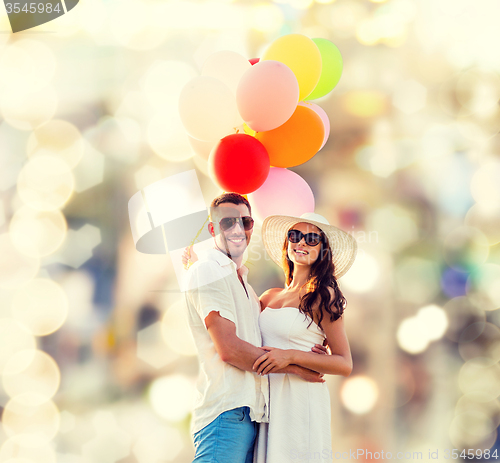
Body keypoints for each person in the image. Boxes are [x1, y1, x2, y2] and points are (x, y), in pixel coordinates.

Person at [183, 194, 329, 463]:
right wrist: (296, 367)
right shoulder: (208, 270)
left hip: (253, 414)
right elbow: (230, 350)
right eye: (227, 222)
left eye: (245, 222)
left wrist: (305, 345)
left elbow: (272, 333)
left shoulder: (248, 289)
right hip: (226, 411)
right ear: (212, 229)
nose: (238, 229)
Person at [252, 212, 357, 463]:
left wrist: (291, 357)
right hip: (266, 396)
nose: (301, 243)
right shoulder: (268, 297)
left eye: (311, 239)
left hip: (300, 399)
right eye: (295, 236)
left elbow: (344, 363)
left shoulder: (323, 296)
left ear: (323, 251)